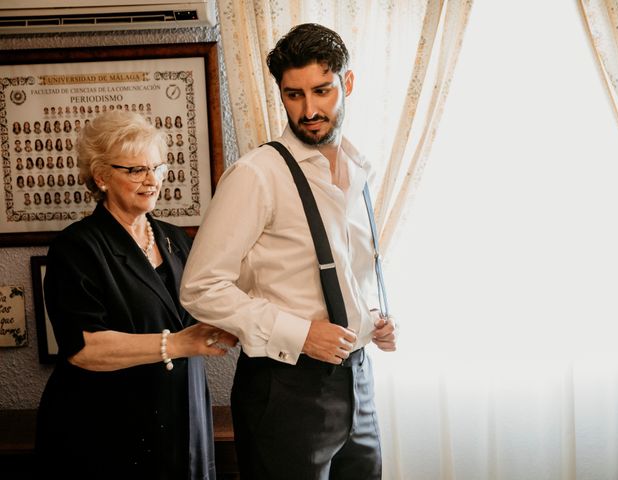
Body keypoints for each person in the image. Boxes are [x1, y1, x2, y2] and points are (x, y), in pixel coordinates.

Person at [180, 23, 397, 480]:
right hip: (285, 390)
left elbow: (345, 268)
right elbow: (201, 288)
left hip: (358, 383)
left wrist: (374, 316)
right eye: (294, 94)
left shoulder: (360, 170)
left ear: (348, 84)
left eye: (322, 90)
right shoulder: (256, 174)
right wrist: (300, 333)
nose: (310, 109)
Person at [35, 110, 237, 480]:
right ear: (101, 177)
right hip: (106, 424)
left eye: (158, 167)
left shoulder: (177, 239)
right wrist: (175, 344)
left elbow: (205, 309)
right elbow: (84, 349)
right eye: (135, 170)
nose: (152, 180)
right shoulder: (77, 247)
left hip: (184, 410)